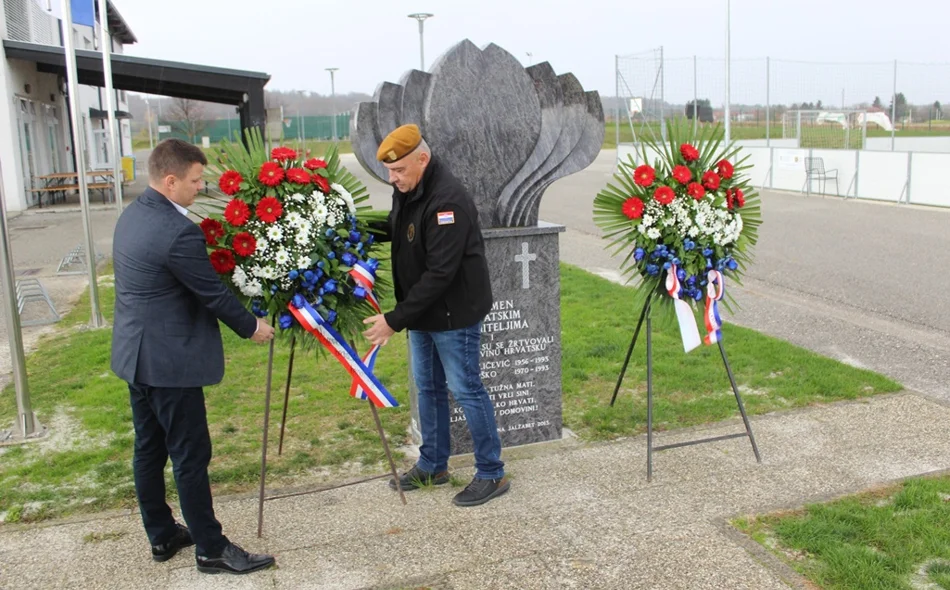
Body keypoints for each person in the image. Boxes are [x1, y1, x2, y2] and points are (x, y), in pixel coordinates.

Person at [111, 138, 276, 574]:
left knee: (149, 448)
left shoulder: (132, 215)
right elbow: (210, 293)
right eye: (195, 181)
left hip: (136, 356)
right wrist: (252, 326)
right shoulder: (178, 231)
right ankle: (210, 548)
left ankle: (162, 535)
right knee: (190, 454)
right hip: (169, 365)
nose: (200, 189)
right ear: (170, 181)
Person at [362, 124, 510, 507]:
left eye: (399, 171)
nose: (393, 179)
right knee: (427, 388)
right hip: (424, 313)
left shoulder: (448, 202)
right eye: (390, 172)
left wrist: (394, 320)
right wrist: (354, 228)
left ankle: (492, 473)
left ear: (422, 159)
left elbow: (441, 274)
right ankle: (433, 464)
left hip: (453, 315)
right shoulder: (411, 188)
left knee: (466, 389)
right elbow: (399, 228)